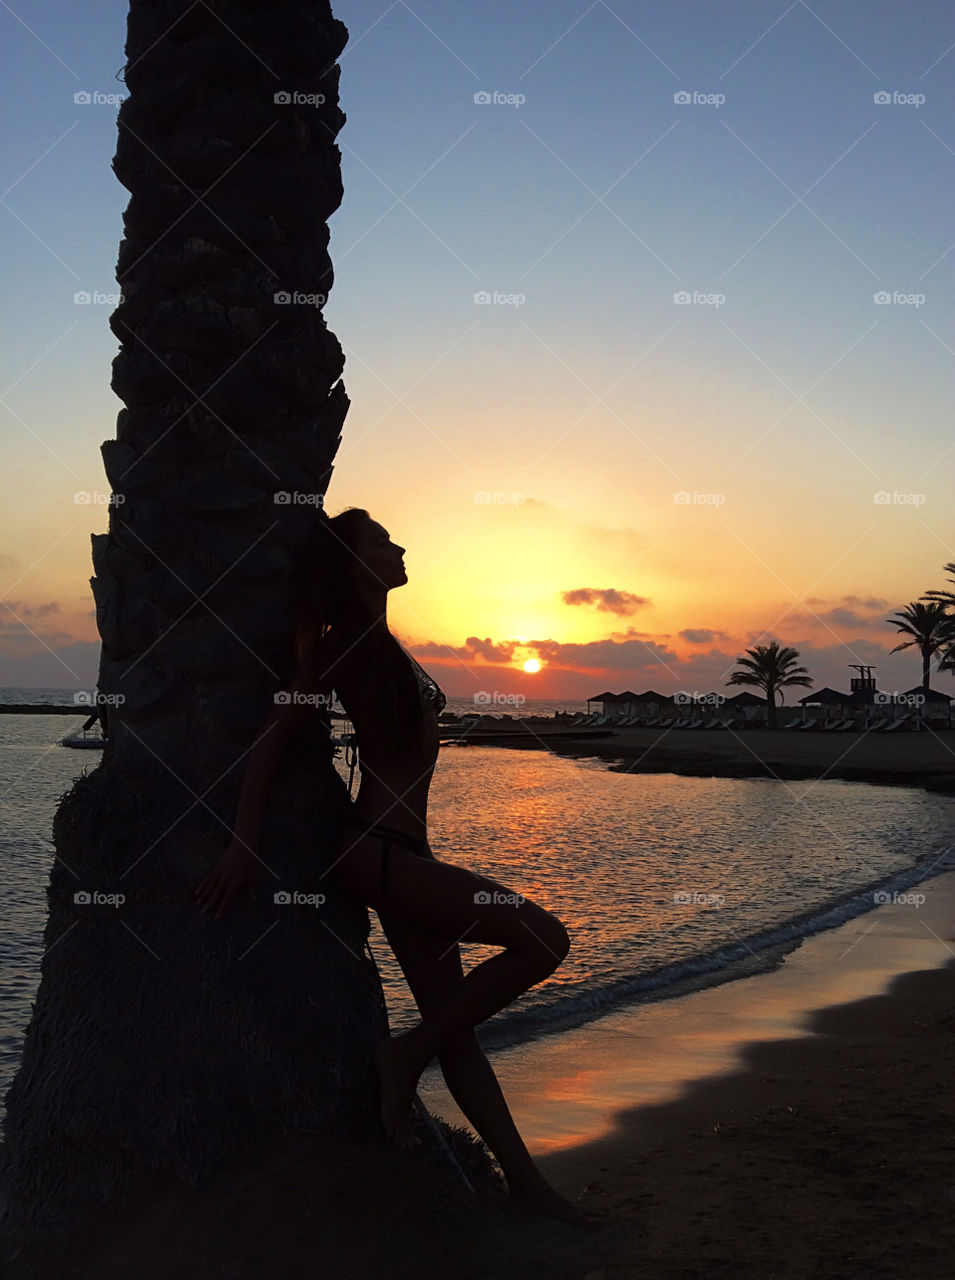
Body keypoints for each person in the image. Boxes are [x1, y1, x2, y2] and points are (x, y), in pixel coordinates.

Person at [195, 507, 595, 1230]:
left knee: (459, 1030)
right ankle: (403, 1056)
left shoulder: (384, 644)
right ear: (354, 564)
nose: (400, 545)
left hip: (405, 853)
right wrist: (242, 846)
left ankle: (528, 1186)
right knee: (544, 940)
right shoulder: (344, 646)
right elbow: (270, 741)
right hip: (375, 851)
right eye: (381, 540)